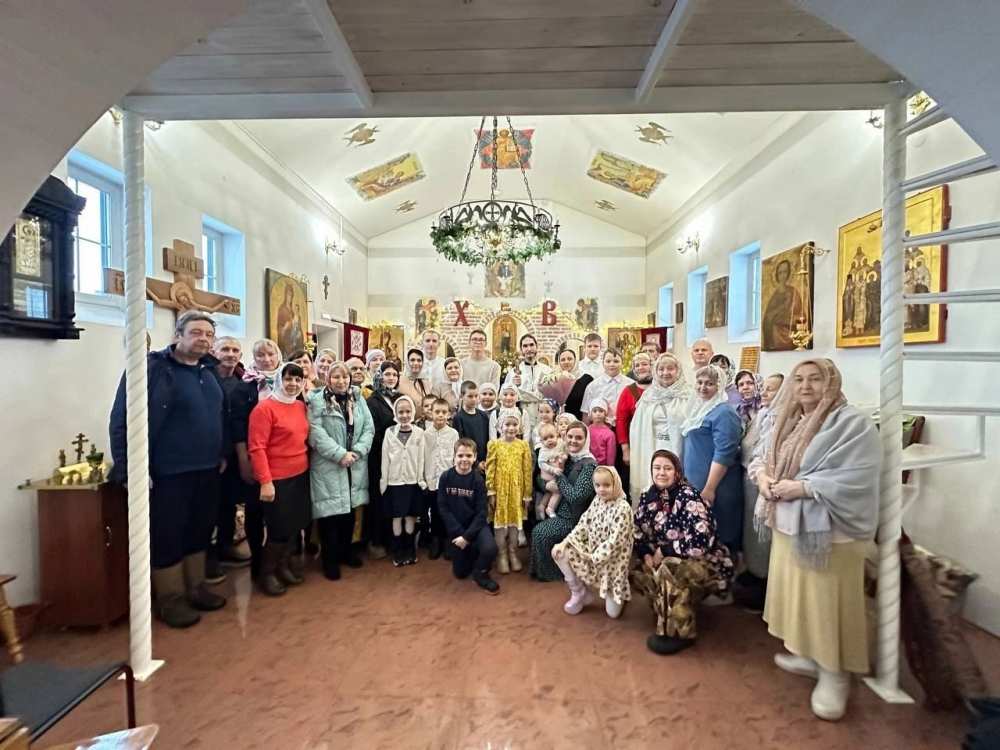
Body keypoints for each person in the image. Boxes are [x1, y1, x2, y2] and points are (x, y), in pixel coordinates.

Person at [753, 359, 880, 722]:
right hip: (788, 522)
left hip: (829, 533)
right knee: (799, 596)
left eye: (815, 379)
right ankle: (810, 655)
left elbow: (858, 475)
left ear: (832, 383)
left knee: (827, 602)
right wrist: (763, 478)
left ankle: (835, 673)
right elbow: (763, 456)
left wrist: (804, 487)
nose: (805, 386)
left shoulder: (851, 423)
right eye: (799, 380)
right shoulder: (788, 419)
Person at [109, 310, 227, 628]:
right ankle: (170, 599)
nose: (204, 339)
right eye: (196, 332)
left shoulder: (209, 371)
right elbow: (121, 420)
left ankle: (196, 588)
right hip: (167, 473)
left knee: (199, 530)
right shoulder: (151, 369)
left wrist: (222, 452)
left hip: (206, 469)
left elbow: (219, 415)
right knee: (168, 535)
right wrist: (128, 469)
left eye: (209, 334)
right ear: (178, 335)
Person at [631, 450, 734, 655]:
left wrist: (665, 550)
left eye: (667, 468)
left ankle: (678, 633)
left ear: (677, 472)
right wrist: (645, 554)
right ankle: (665, 608)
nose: (661, 473)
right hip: (663, 557)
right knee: (633, 565)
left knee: (670, 569)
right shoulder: (649, 496)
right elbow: (638, 530)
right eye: (657, 468)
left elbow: (701, 540)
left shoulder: (688, 497)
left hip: (704, 559)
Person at [248, 362, 312, 596]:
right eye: (288, 379)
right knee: (278, 530)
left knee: (295, 526)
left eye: (297, 379)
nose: (293, 384)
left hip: (300, 474)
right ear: (278, 380)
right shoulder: (264, 409)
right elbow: (257, 448)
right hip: (277, 478)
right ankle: (267, 574)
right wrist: (265, 481)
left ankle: (283, 567)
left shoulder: (300, 406)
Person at [308, 361, 374, 581]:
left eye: (345, 377)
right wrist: (340, 454)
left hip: (354, 462)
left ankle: (346, 552)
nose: (341, 381)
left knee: (349, 513)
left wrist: (357, 451)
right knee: (330, 515)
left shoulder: (358, 398)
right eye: (336, 377)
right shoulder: (317, 401)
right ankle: (330, 560)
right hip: (329, 464)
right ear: (328, 379)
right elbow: (315, 433)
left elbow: (368, 428)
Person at [230, 338, 283, 579]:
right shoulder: (245, 386)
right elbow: (238, 425)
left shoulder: (288, 381)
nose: (266, 359)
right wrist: (244, 459)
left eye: (271, 354)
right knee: (255, 510)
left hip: (282, 457)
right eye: (260, 355)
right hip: (254, 454)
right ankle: (257, 561)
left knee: (280, 512)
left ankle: (276, 562)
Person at [552, 466, 634, 618]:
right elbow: (583, 524)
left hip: (611, 564)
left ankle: (620, 592)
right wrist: (564, 542)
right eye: (597, 485)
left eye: (606, 485)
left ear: (615, 484)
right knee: (559, 551)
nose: (601, 489)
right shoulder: (597, 500)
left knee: (613, 614)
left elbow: (614, 542)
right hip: (592, 552)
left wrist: (593, 557)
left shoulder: (623, 508)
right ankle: (579, 592)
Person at [681, 364, 743, 558]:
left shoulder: (724, 413)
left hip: (717, 486)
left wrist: (709, 488)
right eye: (699, 382)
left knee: (720, 537)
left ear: (720, 386)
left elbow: (724, 454)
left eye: (709, 383)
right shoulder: (699, 409)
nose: (703, 387)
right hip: (696, 483)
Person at [735, 372, 784, 612]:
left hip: (767, 484)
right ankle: (755, 572)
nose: (764, 392)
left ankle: (764, 582)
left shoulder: (784, 419)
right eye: (763, 387)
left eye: (771, 389)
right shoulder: (763, 414)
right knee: (752, 532)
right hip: (750, 478)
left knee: (763, 533)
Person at [529, 421, 598, 582]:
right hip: (558, 509)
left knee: (540, 533)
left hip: (574, 518)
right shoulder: (565, 456)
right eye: (570, 436)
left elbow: (576, 497)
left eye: (579, 438)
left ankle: (555, 574)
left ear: (586, 440)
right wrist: (546, 484)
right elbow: (540, 478)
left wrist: (559, 478)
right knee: (537, 528)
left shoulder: (589, 465)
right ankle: (547, 570)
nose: (573, 441)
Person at [209, 336, 251, 582]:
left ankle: (226, 546)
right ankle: (209, 557)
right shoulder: (206, 377)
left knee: (230, 503)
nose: (230, 354)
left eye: (235, 350)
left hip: (237, 452)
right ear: (214, 351)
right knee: (210, 508)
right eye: (225, 349)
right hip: (214, 454)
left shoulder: (242, 380)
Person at [626, 352, 691, 505]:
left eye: (670, 368)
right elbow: (637, 428)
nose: (665, 373)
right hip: (651, 447)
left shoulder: (689, 395)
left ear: (678, 371)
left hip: (678, 448)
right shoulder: (648, 396)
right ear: (655, 371)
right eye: (661, 369)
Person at [438, 439, 500, 595]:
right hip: (457, 528)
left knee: (490, 548)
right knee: (460, 573)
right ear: (454, 456)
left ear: (475, 457)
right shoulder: (445, 477)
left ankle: (480, 573)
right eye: (460, 455)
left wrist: (467, 537)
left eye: (468, 455)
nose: (464, 459)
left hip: (475, 526)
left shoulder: (478, 480)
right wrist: (460, 534)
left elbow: (482, 513)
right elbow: (443, 508)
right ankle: (469, 553)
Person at [380, 395, 428, 566]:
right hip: (394, 483)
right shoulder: (390, 432)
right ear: (395, 413)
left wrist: (420, 479)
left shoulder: (419, 433)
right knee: (397, 517)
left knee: (410, 516)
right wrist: (384, 481)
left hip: (412, 483)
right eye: (401, 412)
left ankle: (410, 549)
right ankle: (398, 550)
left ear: (413, 412)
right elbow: (385, 458)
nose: (405, 415)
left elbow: (421, 458)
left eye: (408, 411)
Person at [485, 413, 533, 574]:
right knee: (499, 524)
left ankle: (513, 553)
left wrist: (527, 493)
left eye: (514, 424)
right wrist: (491, 490)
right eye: (507, 424)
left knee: (514, 523)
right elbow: (490, 468)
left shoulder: (523, 445)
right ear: (500, 427)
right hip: (500, 490)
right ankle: (502, 554)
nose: (511, 428)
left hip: (517, 490)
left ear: (519, 427)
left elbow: (527, 470)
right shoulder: (494, 444)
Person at [365, 360, 400, 560]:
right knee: (379, 497)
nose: (391, 378)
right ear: (380, 376)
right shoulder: (373, 401)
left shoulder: (399, 398)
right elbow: (372, 430)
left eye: (394, 375)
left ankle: (391, 538)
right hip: (378, 456)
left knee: (393, 497)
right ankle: (376, 539)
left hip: (397, 457)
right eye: (387, 374)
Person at [423, 397, 458, 559]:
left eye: (444, 412)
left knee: (448, 511)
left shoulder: (453, 433)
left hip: (447, 479)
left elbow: (455, 456)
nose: (440, 415)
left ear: (449, 414)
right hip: (431, 479)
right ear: (431, 413)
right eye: (437, 412)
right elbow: (422, 456)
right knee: (435, 510)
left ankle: (448, 540)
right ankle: (436, 539)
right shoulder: (425, 434)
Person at [502, 334, 552, 431]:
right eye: (525, 346)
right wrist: (514, 386)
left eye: (531, 345)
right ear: (521, 349)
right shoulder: (513, 373)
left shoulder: (547, 371)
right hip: (523, 413)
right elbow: (506, 398)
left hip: (542, 414)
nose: (529, 349)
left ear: (537, 347)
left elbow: (552, 396)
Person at [615, 352, 652, 476]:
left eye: (644, 364)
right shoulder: (628, 391)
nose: (641, 367)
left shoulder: (660, 389)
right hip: (636, 443)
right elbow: (621, 422)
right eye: (637, 365)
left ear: (651, 366)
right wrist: (625, 450)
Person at [581, 349, 634, 427]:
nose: (612, 364)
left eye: (616, 361)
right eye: (608, 361)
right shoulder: (592, 386)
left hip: (626, 426)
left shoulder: (631, 384)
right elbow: (586, 413)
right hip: (600, 428)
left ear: (622, 363)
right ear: (603, 363)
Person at [453, 381, 490, 473]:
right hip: (468, 462)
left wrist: (486, 460)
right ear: (462, 396)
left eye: (476, 396)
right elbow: (460, 442)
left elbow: (487, 438)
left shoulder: (483, 416)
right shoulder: (458, 418)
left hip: (485, 462)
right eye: (470, 396)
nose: (474, 399)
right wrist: (476, 463)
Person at [535, 423, 566, 520]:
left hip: (554, 476)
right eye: (545, 439)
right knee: (557, 491)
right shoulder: (544, 451)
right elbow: (541, 464)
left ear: (557, 435)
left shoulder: (559, 443)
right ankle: (550, 508)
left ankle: (541, 506)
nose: (549, 440)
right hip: (548, 477)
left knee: (549, 493)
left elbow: (565, 444)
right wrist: (553, 469)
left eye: (551, 437)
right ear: (541, 441)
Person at [398, 347, 431, 420]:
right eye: (412, 360)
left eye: (419, 360)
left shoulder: (427, 382)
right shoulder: (399, 381)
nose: (416, 363)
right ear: (407, 362)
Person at [587, 398, 617, 466]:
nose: (598, 414)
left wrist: (609, 468)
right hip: (587, 465)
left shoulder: (609, 434)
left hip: (602, 467)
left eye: (601, 411)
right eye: (595, 411)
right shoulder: (587, 430)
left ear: (605, 413)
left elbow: (611, 455)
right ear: (591, 413)